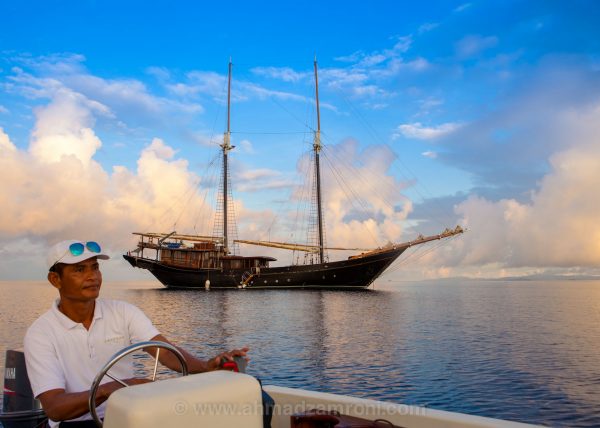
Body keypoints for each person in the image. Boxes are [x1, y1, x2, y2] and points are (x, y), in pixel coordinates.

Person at [24, 240, 250, 427]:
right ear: (55, 280)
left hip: (130, 415)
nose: (92, 276)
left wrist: (206, 366)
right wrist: (115, 388)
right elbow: (55, 408)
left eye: (95, 267)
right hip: (76, 423)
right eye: (79, 270)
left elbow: (165, 352)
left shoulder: (123, 312)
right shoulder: (40, 334)